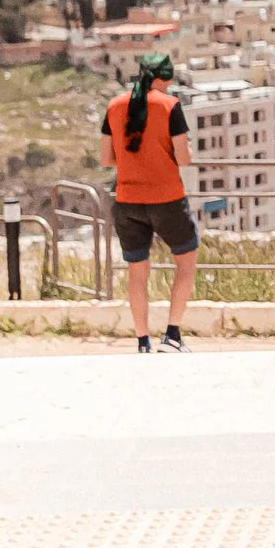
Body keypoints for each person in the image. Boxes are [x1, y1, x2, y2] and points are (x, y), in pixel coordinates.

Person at [100, 53, 198, 354]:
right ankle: (172, 334)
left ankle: (142, 340)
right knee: (186, 263)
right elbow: (184, 158)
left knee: (137, 273)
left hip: (128, 200)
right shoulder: (170, 106)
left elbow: (106, 159)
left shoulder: (114, 106)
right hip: (166, 198)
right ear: (164, 79)